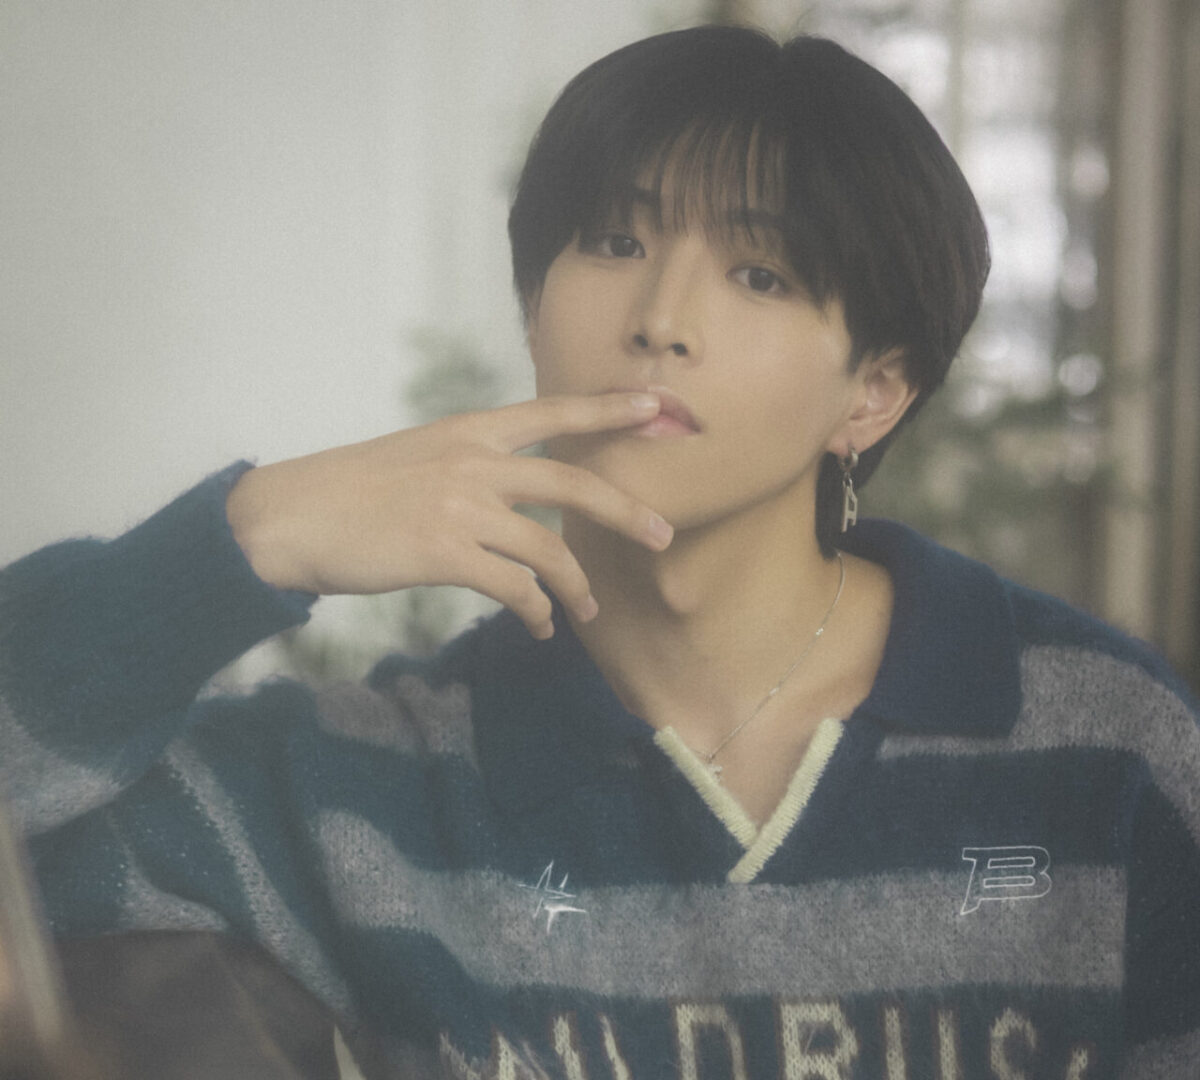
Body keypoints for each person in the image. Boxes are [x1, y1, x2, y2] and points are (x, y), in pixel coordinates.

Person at [2, 24, 1198, 1080]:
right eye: (615, 241)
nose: (659, 320)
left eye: (759, 273)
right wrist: (252, 535)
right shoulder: (367, 788)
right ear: (535, 309)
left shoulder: (1106, 750)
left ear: (873, 394)